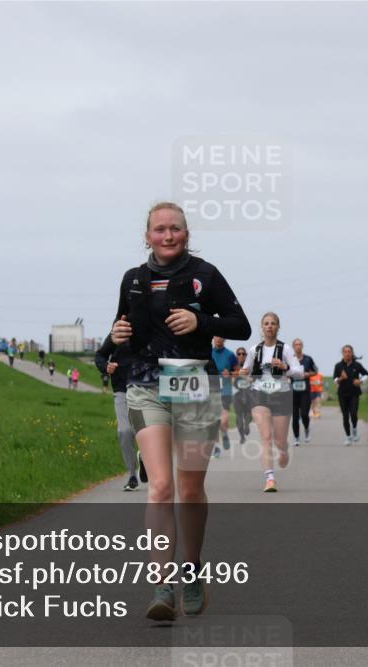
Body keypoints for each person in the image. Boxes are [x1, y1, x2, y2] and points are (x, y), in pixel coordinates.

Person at [110, 201, 250, 621]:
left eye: (175, 229)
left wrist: (200, 321)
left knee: (189, 490)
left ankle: (191, 569)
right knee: (160, 487)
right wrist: (116, 334)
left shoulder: (205, 275)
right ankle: (162, 585)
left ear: (186, 235)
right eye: (159, 229)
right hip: (145, 387)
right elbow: (124, 331)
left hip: (194, 386)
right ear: (147, 235)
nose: (167, 236)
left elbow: (239, 325)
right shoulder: (134, 279)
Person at [240, 312, 303, 493]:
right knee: (266, 437)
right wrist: (244, 373)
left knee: (279, 440)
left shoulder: (286, 349)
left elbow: (299, 372)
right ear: (262, 327)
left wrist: (285, 367)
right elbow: (246, 370)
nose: (269, 326)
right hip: (259, 394)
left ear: (278, 327)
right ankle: (270, 478)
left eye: (273, 323)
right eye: (266, 323)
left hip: (281, 395)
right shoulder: (254, 350)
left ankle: (283, 450)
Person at [95, 334, 147, 491]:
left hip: (144, 389)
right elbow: (100, 355)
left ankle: (144, 457)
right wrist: (105, 366)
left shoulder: (148, 329)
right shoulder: (118, 331)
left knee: (144, 432)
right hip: (121, 390)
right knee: (124, 431)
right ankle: (132, 476)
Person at [333, 345, 368, 446]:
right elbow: (335, 379)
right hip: (342, 394)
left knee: (353, 413)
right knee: (345, 416)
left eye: (349, 351)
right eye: (345, 352)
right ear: (343, 353)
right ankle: (348, 437)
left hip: (354, 393)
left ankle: (355, 428)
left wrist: (360, 381)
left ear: (352, 353)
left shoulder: (357, 365)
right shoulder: (338, 366)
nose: (347, 353)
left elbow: (366, 374)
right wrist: (341, 378)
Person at [210, 336, 239, 458]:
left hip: (226, 390)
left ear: (225, 339)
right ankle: (216, 447)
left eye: (221, 337)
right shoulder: (208, 352)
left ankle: (225, 433)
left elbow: (238, 372)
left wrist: (230, 373)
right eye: (216, 336)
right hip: (211, 390)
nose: (218, 339)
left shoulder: (230, 355)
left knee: (224, 420)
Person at [290, 339, 318, 446]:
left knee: (304, 414)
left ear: (302, 346)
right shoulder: (289, 359)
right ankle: (296, 438)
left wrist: (307, 374)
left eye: (300, 344)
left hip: (305, 391)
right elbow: (284, 371)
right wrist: (288, 376)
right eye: (296, 344)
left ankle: (306, 429)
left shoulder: (308, 359)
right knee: (295, 416)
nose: (298, 346)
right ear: (293, 346)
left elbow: (315, 371)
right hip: (292, 391)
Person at [232, 347, 253, 444]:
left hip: (249, 394)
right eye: (239, 354)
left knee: (248, 414)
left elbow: (254, 379)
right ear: (236, 355)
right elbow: (229, 379)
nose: (241, 355)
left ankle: (247, 424)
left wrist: (247, 376)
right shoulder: (233, 367)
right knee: (239, 416)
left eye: (243, 354)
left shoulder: (250, 367)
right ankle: (242, 436)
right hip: (237, 394)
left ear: (246, 355)